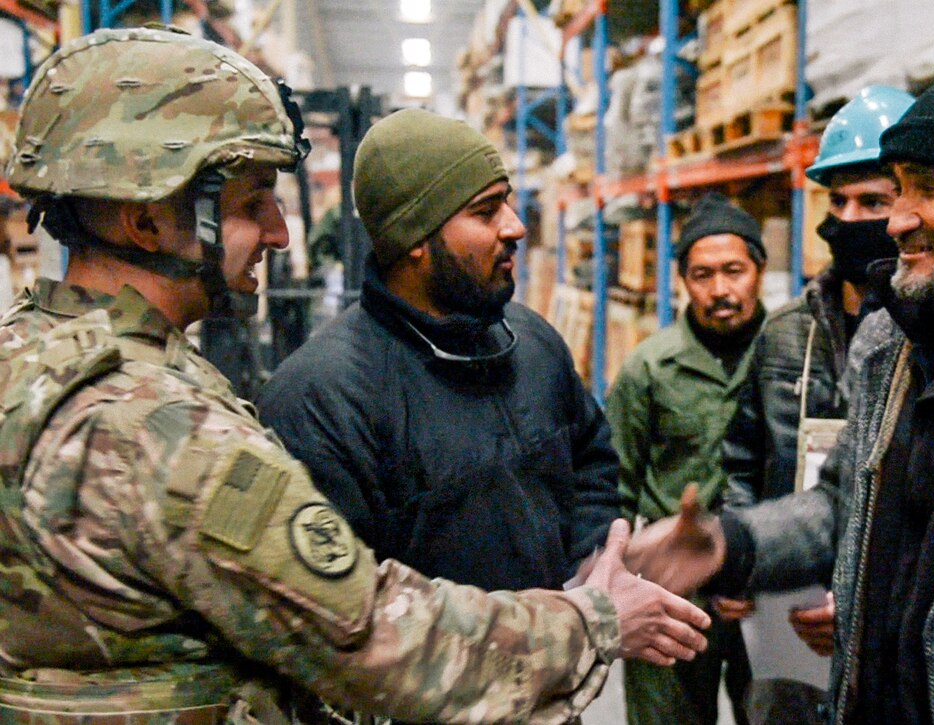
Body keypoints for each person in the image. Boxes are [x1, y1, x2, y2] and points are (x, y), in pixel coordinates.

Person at [0, 27, 713, 724]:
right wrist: (594, 618)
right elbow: (373, 633)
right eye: (252, 205)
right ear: (146, 221)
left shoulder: (32, 357)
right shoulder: (166, 432)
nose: (280, 233)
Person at [628, 59, 934, 724]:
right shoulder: (890, 341)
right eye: (897, 189)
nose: (898, 219)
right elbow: (846, 499)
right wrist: (734, 544)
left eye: (928, 189)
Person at [258, 109, 621, 601]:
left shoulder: (531, 341)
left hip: (561, 663)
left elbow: (592, 458)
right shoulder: (320, 400)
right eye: (486, 211)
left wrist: (587, 566)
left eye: (507, 204)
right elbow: (342, 613)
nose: (515, 227)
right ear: (415, 240)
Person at [717, 86, 913, 723]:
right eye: (837, 201)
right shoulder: (785, 334)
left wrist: (859, 595)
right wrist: (744, 560)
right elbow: (743, 455)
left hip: (886, 609)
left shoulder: (927, 339)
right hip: (787, 596)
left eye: (872, 201)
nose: (847, 218)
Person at [605, 192, 765, 725]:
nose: (720, 289)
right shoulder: (651, 367)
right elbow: (615, 484)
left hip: (764, 581)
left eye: (733, 271)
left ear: (759, 271)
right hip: (671, 584)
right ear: (682, 281)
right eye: (702, 274)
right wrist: (617, 582)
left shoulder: (789, 356)